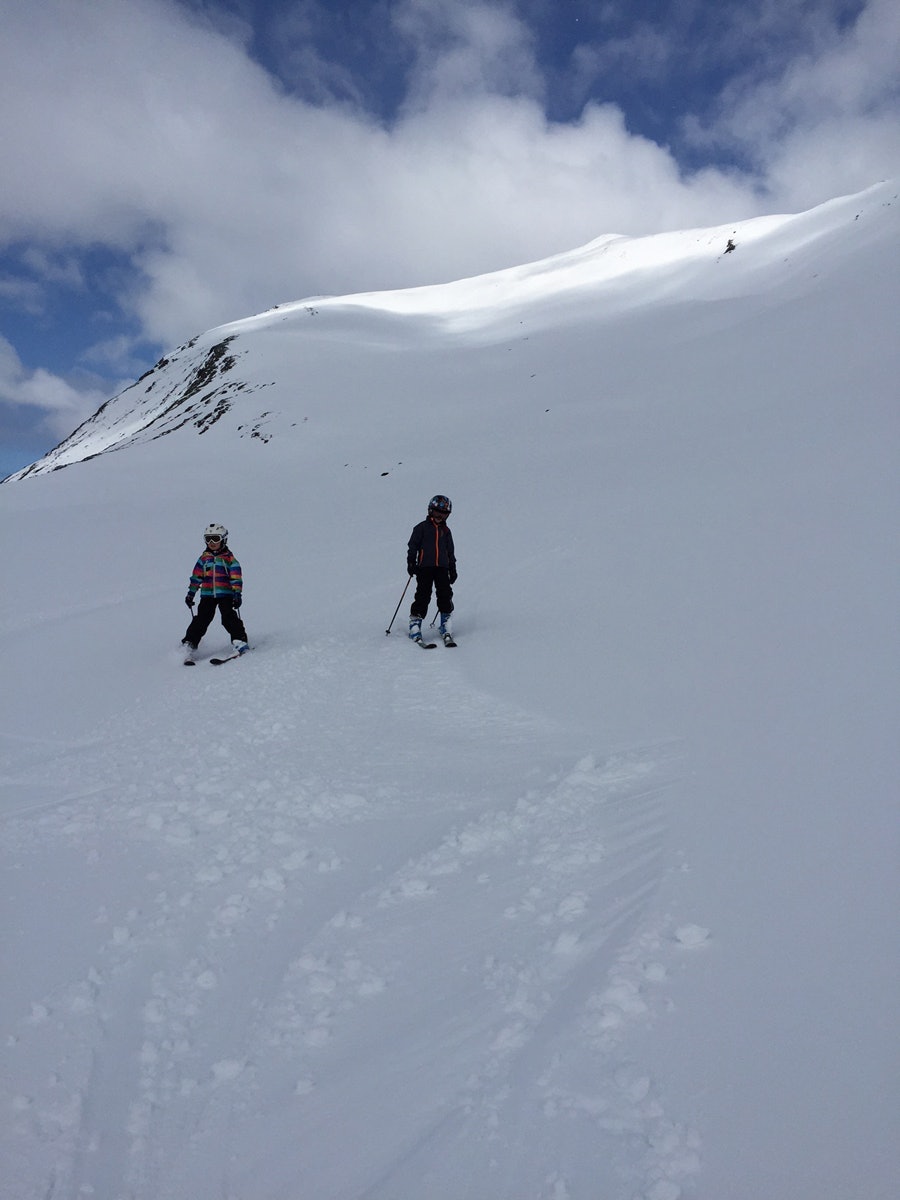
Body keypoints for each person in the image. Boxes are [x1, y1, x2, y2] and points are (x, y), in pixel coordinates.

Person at [181, 523, 249, 662]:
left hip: (226, 594)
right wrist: (191, 594)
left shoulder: (229, 559)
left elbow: (236, 577)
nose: (212, 543)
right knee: (201, 619)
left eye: (215, 539)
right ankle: (189, 645)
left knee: (228, 617)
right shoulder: (203, 559)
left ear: (223, 539)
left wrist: (237, 594)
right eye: (208, 539)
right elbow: (196, 577)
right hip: (207, 595)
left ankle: (239, 641)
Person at [407, 495, 457, 644]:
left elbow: (450, 552)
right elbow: (412, 546)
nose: (440, 516)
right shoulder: (421, 528)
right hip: (425, 567)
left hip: (442, 568)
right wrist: (411, 562)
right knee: (423, 595)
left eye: (444, 514)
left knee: (445, 594)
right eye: (437, 513)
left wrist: (452, 569)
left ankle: (445, 624)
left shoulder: (446, 532)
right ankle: (415, 624)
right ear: (430, 511)